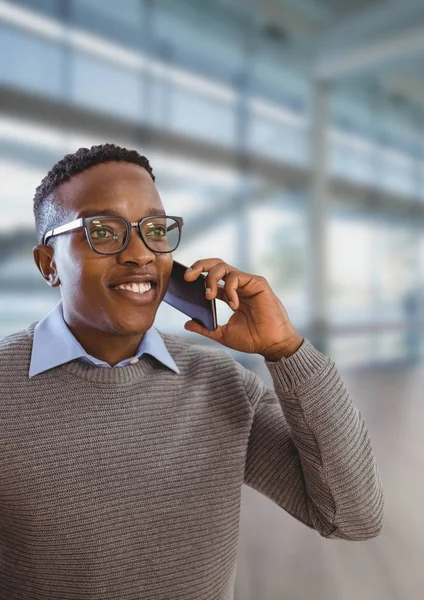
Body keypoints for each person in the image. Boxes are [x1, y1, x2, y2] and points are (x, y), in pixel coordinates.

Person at [0, 144, 384, 600]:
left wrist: (286, 350)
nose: (140, 254)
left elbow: (352, 517)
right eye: (104, 231)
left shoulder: (221, 384)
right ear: (49, 265)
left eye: (155, 230)